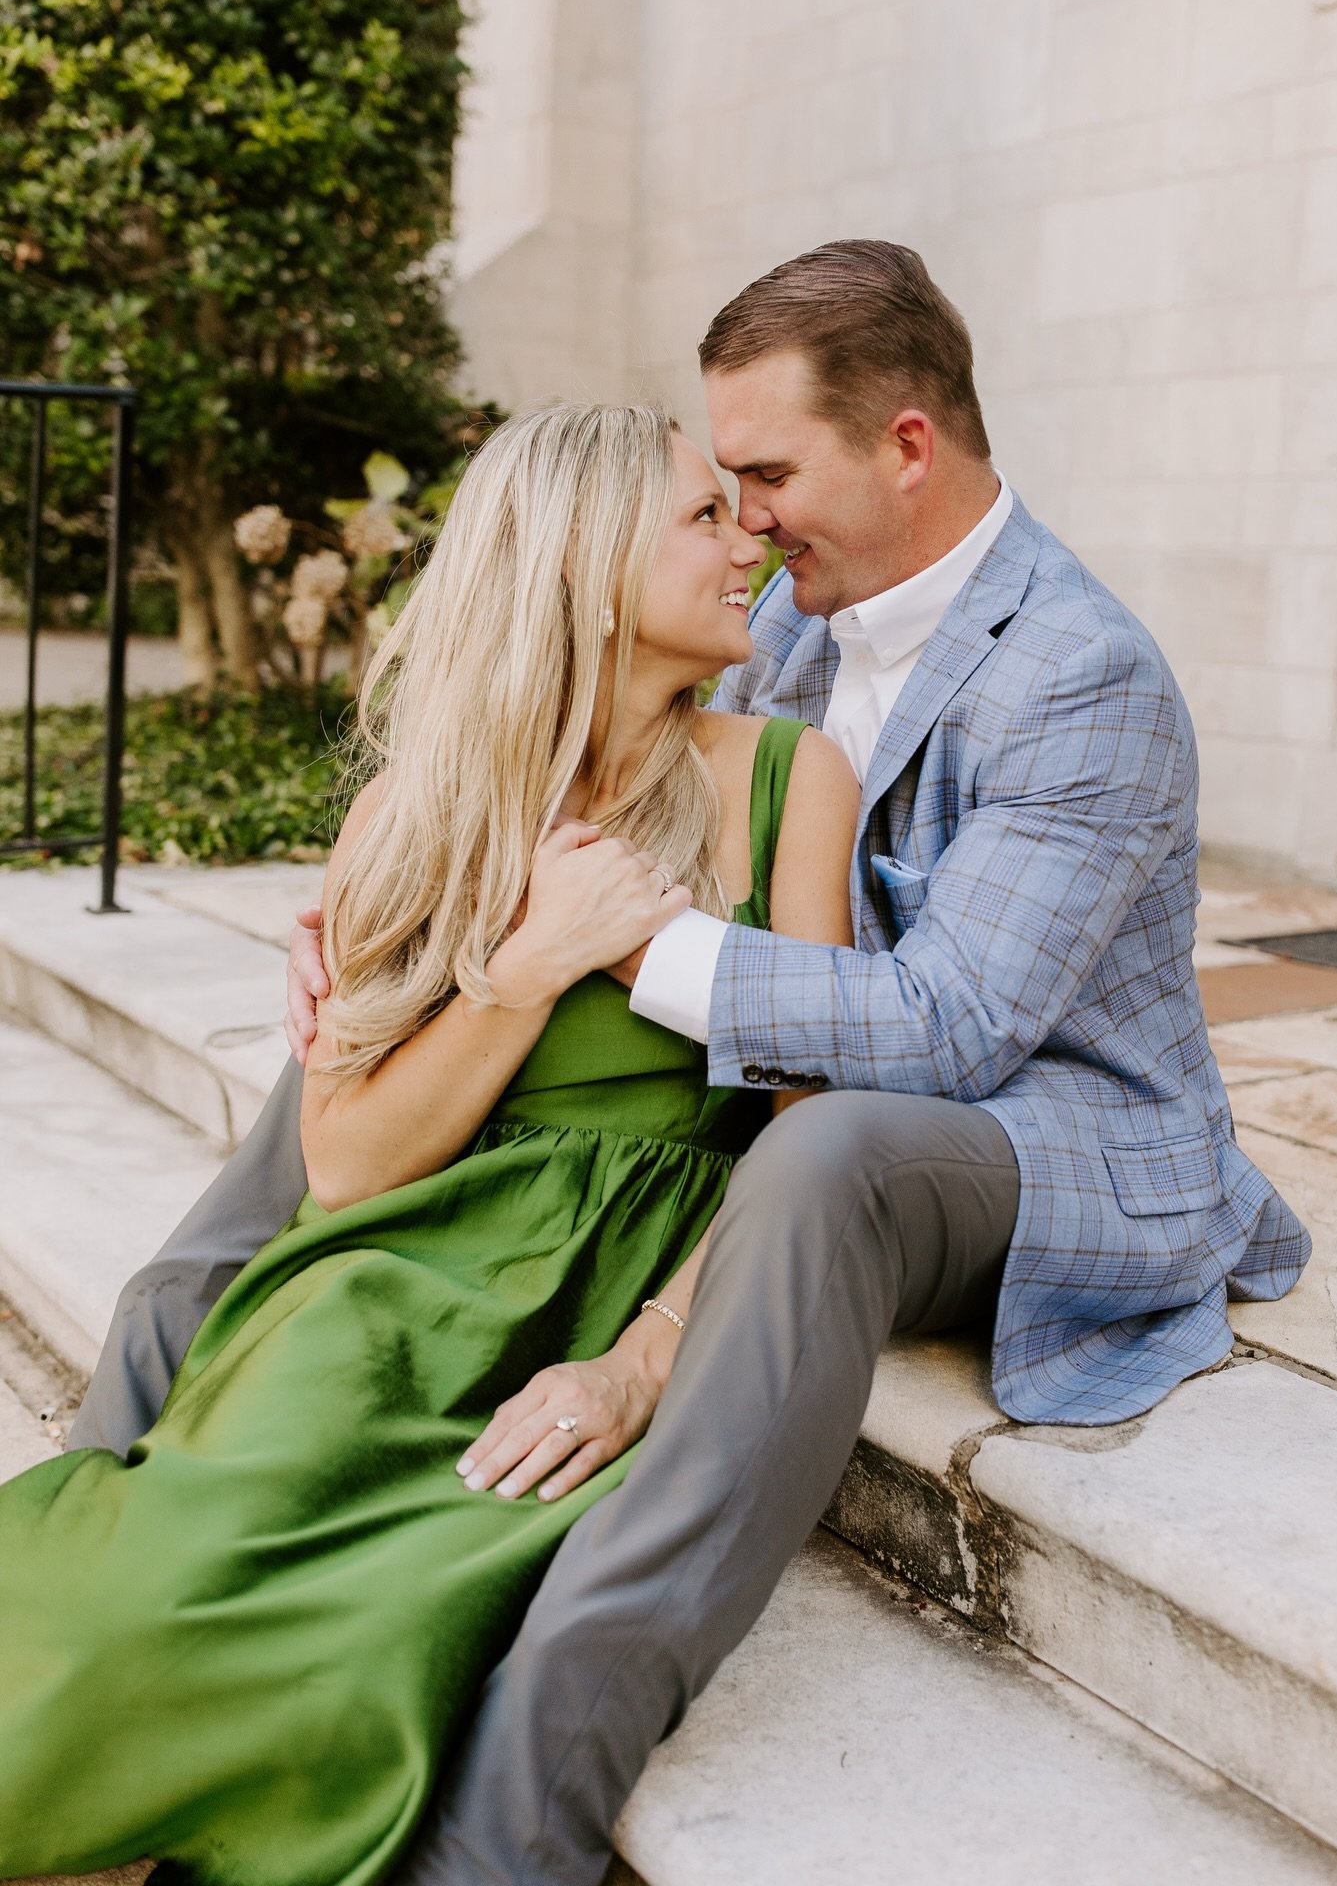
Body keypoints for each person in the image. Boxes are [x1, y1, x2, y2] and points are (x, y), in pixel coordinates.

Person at [71, 242, 1310, 1886]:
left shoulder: (1080, 673)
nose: (750, 518)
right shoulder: (795, 613)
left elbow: (945, 1032)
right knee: (329, 1081)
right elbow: (591, 742)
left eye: (772, 476)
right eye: (720, 490)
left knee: (824, 1154)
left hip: (1046, 1133)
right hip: (806, 1061)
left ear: (910, 447)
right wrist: (398, 925)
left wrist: (598, 950)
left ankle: (518, 1817)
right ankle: (106, 1504)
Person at [0, 401, 860, 1883]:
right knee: (125, 1621)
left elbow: (808, 1128)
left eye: (744, 509)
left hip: (602, 1306)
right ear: (588, 567)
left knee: (371, 1658)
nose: (753, 539)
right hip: (384, 1300)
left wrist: (650, 1350)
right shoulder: (423, 806)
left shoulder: (785, 780)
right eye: (704, 515)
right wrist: (525, 970)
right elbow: (341, 1168)